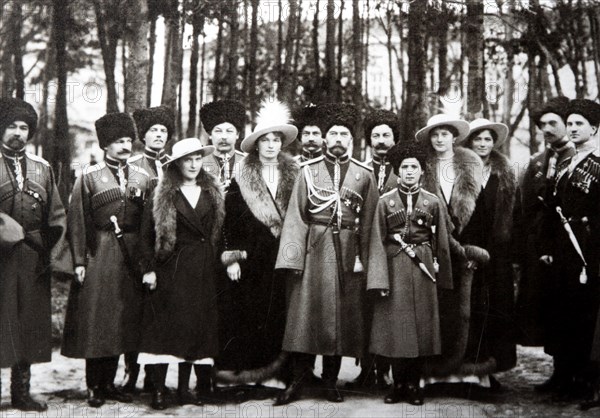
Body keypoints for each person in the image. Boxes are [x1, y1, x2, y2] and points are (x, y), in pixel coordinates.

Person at [274, 103, 378, 405]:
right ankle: (299, 379)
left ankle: (331, 380)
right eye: (332, 133)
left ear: (351, 140)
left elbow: (370, 224)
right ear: (324, 138)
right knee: (304, 316)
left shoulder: (363, 174)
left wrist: (369, 265)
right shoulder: (306, 171)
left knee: (340, 317)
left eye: (343, 134)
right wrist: (293, 259)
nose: (337, 138)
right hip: (313, 251)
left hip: (347, 252)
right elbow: (296, 217)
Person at [62, 112, 151, 408]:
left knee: (122, 320)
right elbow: (77, 222)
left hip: (132, 255)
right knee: (97, 319)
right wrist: (79, 261)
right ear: (105, 145)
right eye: (118, 141)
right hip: (100, 252)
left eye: (128, 140)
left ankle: (111, 383)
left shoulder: (143, 176)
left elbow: (148, 222)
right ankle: (93, 386)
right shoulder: (88, 177)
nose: (125, 146)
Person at [136, 137, 224, 410]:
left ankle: (187, 389)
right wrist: (149, 269)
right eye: (188, 159)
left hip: (204, 268)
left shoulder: (212, 192)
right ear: (177, 163)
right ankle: (159, 390)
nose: (194, 164)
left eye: (198, 158)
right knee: (164, 329)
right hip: (171, 267)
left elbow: (219, 234)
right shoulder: (163, 193)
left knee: (197, 328)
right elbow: (145, 236)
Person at [218, 99, 299, 389]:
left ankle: (279, 375)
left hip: (283, 256)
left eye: (276, 140)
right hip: (252, 259)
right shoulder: (242, 176)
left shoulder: (296, 175)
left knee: (281, 314)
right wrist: (233, 258)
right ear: (256, 145)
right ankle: (250, 376)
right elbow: (231, 222)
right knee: (250, 314)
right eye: (265, 140)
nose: (271, 145)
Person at [368, 140, 452, 405]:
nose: (409, 172)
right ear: (397, 170)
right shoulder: (385, 202)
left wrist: (442, 273)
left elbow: (442, 242)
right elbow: (377, 241)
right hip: (394, 267)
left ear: (422, 171)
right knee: (396, 328)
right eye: (404, 167)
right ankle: (398, 384)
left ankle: (415, 386)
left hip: (423, 268)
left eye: (414, 167)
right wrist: (379, 279)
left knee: (420, 327)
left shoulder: (433, 202)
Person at [415, 114, 493, 388]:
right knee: (434, 310)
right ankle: (432, 372)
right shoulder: (422, 168)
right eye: (435, 134)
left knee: (466, 310)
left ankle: (469, 373)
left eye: (445, 134)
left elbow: (481, 213)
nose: (439, 139)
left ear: (454, 137)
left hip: (465, 249)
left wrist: (472, 251)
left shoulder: (471, 164)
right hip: (433, 251)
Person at [0, 98, 67, 411]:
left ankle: (22, 394)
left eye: (23, 127)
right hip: (0, 259)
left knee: (27, 325)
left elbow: (56, 214)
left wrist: (48, 249)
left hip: (32, 258)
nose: (17, 132)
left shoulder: (43, 167)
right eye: (11, 126)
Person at [538, 99, 600, 403]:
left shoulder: (598, 164)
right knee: (562, 312)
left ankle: (586, 380)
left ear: (595, 128)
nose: (573, 128)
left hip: (589, 250)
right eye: (571, 123)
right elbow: (553, 209)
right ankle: (563, 375)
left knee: (585, 316)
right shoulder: (567, 162)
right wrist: (548, 247)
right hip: (563, 248)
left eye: (580, 124)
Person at [513, 97, 574, 373]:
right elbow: (526, 208)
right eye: (542, 124)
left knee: (571, 313)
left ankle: (577, 376)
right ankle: (559, 375)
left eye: (553, 123)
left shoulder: (580, 158)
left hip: (572, 249)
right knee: (549, 313)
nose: (547, 129)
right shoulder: (538, 162)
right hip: (540, 250)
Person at [122, 104, 176, 394]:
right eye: (153, 130)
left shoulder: (176, 165)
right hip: (134, 247)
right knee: (134, 313)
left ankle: (155, 380)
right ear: (142, 136)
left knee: (159, 314)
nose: (158, 135)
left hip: (166, 250)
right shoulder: (131, 166)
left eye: (163, 131)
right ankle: (131, 373)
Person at [346, 108, 401, 391]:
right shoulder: (359, 170)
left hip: (394, 251)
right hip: (364, 250)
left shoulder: (405, 170)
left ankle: (388, 368)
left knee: (390, 308)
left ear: (395, 139)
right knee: (364, 309)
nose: (380, 141)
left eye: (386, 135)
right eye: (375, 135)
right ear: (369, 140)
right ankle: (366, 369)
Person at [461, 118, 518, 381]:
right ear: (469, 142)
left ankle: (491, 370)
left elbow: (514, 215)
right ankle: (466, 370)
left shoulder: (504, 172)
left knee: (495, 309)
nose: (483, 144)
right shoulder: (459, 169)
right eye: (477, 139)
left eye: (488, 139)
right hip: (467, 250)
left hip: (497, 253)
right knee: (468, 309)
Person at [199, 99, 246, 190]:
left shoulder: (247, 163)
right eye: (218, 131)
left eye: (229, 131)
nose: (224, 137)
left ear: (237, 134)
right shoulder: (199, 163)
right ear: (210, 135)